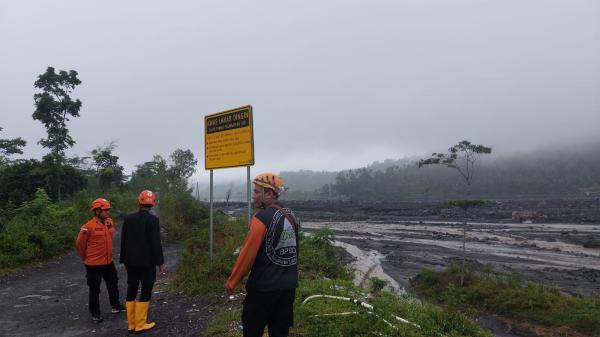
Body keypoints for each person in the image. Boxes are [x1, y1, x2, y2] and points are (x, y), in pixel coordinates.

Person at [226, 173, 299, 337]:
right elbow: (294, 253)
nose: (254, 196)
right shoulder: (291, 216)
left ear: (270, 194)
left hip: (263, 290)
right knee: (280, 332)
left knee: (252, 331)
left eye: (257, 192)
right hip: (288, 289)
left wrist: (232, 281)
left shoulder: (261, 219)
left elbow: (247, 256)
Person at [120, 190, 165, 334]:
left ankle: (131, 325)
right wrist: (160, 263)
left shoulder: (128, 219)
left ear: (139, 202)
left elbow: (124, 241)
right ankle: (141, 324)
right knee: (145, 289)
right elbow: (155, 243)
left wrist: (124, 260)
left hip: (131, 262)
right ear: (152, 204)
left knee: (131, 289)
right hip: (147, 263)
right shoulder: (153, 220)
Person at [75, 198, 125, 323]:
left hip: (108, 262)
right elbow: (79, 244)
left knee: (113, 283)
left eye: (108, 210)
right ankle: (95, 313)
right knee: (95, 289)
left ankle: (115, 306)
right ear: (97, 211)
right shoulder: (88, 227)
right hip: (93, 264)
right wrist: (85, 258)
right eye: (105, 210)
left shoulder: (109, 222)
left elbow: (110, 237)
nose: (107, 212)